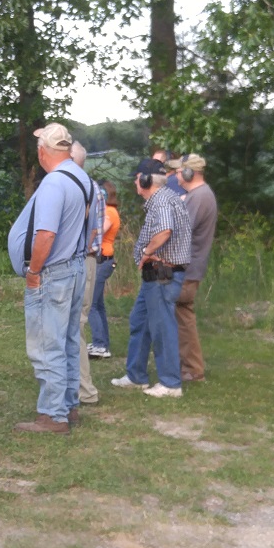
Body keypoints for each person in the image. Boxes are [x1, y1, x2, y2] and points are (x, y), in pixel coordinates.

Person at [6, 123, 93, 433]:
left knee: (47, 344)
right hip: (74, 267)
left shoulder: (54, 183)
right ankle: (68, 406)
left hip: (53, 273)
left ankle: (53, 415)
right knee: (67, 341)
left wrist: (33, 271)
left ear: (43, 152)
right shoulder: (81, 178)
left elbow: (46, 234)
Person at [110, 158, 192, 397]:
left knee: (162, 327)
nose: (135, 183)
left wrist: (147, 252)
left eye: (137, 178)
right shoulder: (165, 198)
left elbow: (165, 230)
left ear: (146, 180)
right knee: (140, 321)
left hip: (161, 274)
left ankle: (170, 384)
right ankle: (136, 375)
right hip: (155, 275)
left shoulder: (162, 201)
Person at [176, 154, 217, 382]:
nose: (176, 176)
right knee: (183, 318)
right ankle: (190, 368)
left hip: (186, 269)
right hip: (190, 267)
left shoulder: (198, 197)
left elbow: (181, 231)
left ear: (189, 173)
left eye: (179, 171)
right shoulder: (199, 195)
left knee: (183, 320)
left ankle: (192, 369)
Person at [72, 142, 105, 409]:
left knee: (75, 325)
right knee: (75, 325)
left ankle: (84, 391)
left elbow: (89, 231)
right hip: (86, 260)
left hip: (81, 260)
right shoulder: (91, 186)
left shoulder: (82, 188)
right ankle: (75, 387)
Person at [87, 180, 121, 358]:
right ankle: (102, 342)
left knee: (91, 304)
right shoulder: (109, 211)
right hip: (103, 259)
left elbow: (99, 232)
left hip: (102, 260)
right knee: (98, 304)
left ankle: (100, 345)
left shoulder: (109, 212)